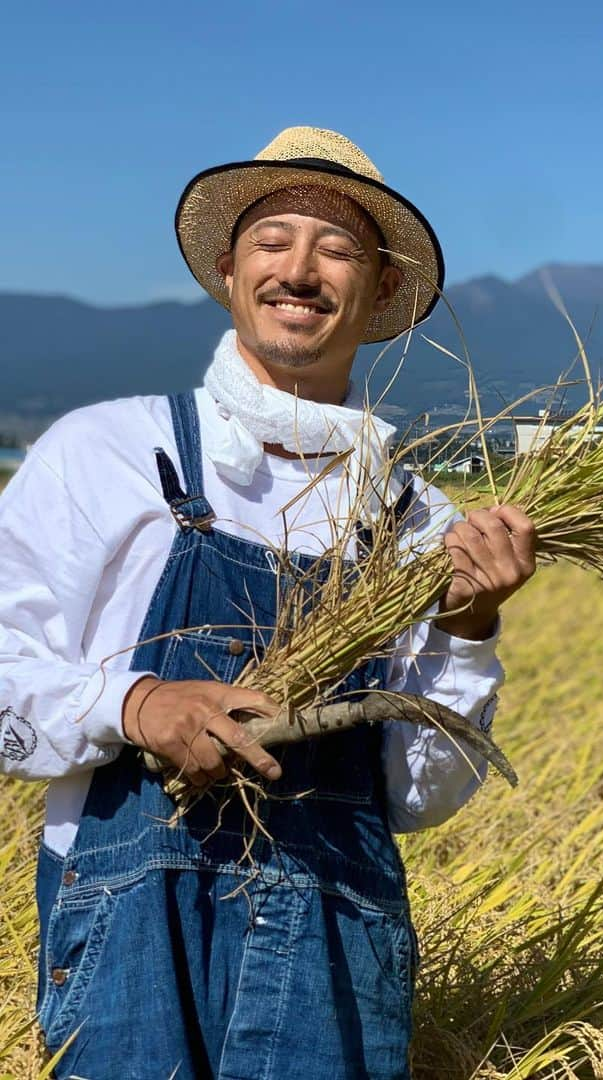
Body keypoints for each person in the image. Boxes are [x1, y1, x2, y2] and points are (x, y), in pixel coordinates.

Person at [0, 126, 537, 1079]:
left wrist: (467, 631)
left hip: (338, 932)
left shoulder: (418, 521)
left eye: (337, 250)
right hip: (132, 926)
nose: (301, 269)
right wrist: (135, 704)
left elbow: (418, 798)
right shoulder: (106, 452)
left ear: (375, 295)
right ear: (226, 269)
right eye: (273, 240)